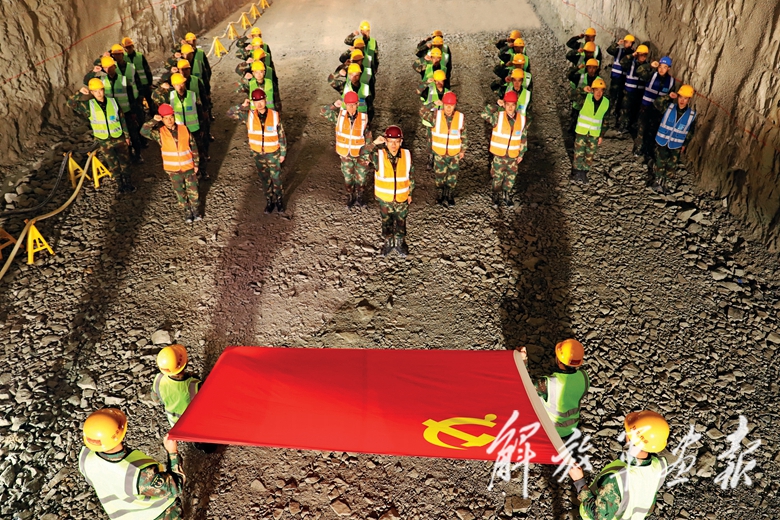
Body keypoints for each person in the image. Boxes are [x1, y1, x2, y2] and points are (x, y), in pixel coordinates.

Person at [78, 408, 184, 519]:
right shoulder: (135, 473)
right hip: (157, 515)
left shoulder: (85, 458)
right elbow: (176, 486)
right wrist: (172, 452)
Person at [568, 410, 670, 520]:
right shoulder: (660, 466)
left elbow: (598, 516)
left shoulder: (617, 478)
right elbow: (649, 504)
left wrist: (580, 482)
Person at [67, 78, 135, 193]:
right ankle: (120, 185)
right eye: (95, 91)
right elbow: (70, 103)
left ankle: (128, 183)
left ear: (104, 90)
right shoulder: (89, 106)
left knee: (125, 161)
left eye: (100, 90)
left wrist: (127, 136)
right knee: (113, 164)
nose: (99, 93)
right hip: (104, 140)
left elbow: (122, 119)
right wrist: (79, 94)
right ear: (92, 93)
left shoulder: (113, 102)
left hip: (119, 137)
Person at [227, 89, 288, 213]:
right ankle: (269, 200)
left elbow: (281, 136)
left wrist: (283, 153)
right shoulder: (248, 116)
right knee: (265, 179)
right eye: (256, 101)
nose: (259, 104)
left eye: (261, 100)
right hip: (258, 154)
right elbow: (230, 113)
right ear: (253, 103)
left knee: (276, 178)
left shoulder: (274, 115)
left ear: (265, 100)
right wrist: (242, 105)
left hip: (273, 153)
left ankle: (279, 199)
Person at [141, 104, 201, 222]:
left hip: (188, 167)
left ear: (174, 116)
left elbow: (194, 147)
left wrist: (196, 164)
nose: (169, 120)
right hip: (173, 170)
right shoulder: (160, 133)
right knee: (180, 192)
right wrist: (154, 120)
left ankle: (195, 210)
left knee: (193, 190)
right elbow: (144, 131)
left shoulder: (184, 129)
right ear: (162, 119)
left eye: (171, 117)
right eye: (166, 118)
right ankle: (187, 211)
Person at [518, 339, 589, 439]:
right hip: (571, 427)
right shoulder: (584, 377)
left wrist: (523, 361)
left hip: (550, 430)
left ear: (559, 360)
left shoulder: (548, 383)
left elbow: (525, 387)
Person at [364, 126, 415, 256]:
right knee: (386, 222)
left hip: (402, 198)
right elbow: (362, 154)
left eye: (397, 141)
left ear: (401, 142)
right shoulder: (379, 156)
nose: (393, 145)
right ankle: (388, 243)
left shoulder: (407, 155)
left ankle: (399, 243)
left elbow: (411, 176)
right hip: (385, 200)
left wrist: (410, 193)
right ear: (385, 141)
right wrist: (374, 143)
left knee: (401, 222)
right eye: (390, 141)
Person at [321, 91, 372, 208]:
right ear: (345, 105)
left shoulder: (363, 119)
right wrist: (334, 105)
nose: (351, 107)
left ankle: (360, 196)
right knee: (348, 178)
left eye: (353, 104)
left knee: (361, 177)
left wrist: (367, 156)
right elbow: (323, 111)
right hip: (345, 155)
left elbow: (368, 138)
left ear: (357, 104)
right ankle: (350, 195)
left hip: (360, 155)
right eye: (349, 105)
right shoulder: (340, 117)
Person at [481, 90, 527, 207]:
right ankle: (495, 195)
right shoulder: (498, 117)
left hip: (513, 155)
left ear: (516, 105)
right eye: (508, 105)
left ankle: (506, 195)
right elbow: (484, 114)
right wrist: (496, 105)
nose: (510, 108)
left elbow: (523, 137)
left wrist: (521, 153)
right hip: (499, 155)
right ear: (504, 105)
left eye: (512, 105)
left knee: (511, 177)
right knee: (497, 176)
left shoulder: (521, 119)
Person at [420, 91, 467, 206]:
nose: (449, 108)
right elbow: (422, 112)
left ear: (455, 105)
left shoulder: (460, 117)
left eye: (451, 105)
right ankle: (440, 195)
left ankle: (449, 194)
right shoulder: (436, 116)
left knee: (452, 175)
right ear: (443, 105)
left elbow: (464, 135)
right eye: (446, 105)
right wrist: (433, 104)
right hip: (439, 153)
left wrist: (463, 150)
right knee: (439, 176)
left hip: (454, 154)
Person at [650, 85, 696, 193]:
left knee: (672, 164)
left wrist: (685, 144)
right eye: (680, 97)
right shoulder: (669, 107)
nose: (682, 100)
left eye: (685, 98)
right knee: (660, 161)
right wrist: (668, 96)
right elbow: (656, 103)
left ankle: (666, 183)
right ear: (677, 97)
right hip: (662, 140)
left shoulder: (691, 115)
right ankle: (657, 181)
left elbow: (690, 131)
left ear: (689, 100)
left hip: (676, 144)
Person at [570, 79, 611, 183]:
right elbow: (570, 94)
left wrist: (601, 135)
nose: (599, 93)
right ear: (592, 90)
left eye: (601, 90)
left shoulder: (606, 103)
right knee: (579, 152)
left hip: (594, 134)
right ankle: (576, 172)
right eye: (596, 90)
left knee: (590, 154)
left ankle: (584, 173)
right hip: (582, 131)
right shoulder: (585, 99)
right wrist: (581, 89)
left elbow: (606, 120)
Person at [151, 344, 201, 426]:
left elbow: (155, 399)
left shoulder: (158, 379)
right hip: (192, 424)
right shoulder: (193, 386)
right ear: (185, 364)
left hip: (173, 423)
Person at [635, 56, 674, 158]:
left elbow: (670, 99)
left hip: (657, 111)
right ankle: (638, 149)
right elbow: (639, 71)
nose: (661, 69)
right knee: (641, 128)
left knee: (653, 131)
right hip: (646, 107)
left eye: (664, 67)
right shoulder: (651, 75)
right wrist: (650, 65)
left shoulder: (671, 81)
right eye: (660, 66)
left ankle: (648, 151)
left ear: (668, 68)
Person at [617, 44, 652, 134]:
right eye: (641, 55)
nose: (643, 57)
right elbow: (622, 62)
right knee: (625, 109)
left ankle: (630, 127)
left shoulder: (647, 66)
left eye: (645, 55)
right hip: (629, 91)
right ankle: (621, 127)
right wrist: (632, 55)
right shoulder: (631, 62)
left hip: (639, 92)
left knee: (635, 110)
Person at [121, 37, 156, 114]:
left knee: (150, 101)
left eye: (129, 47)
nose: (128, 49)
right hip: (134, 85)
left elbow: (147, 69)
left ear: (132, 46)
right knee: (138, 103)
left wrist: (150, 82)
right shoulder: (123, 58)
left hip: (144, 83)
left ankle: (153, 114)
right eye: (126, 47)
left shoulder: (139, 56)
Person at [605, 35, 635, 123]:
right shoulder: (618, 51)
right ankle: (606, 115)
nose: (628, 44)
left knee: (621, 99)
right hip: (616, 78)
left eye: (630, 43)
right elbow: (609, 50)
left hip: (624, 80)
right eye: (626, 42)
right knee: (612, 97)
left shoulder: (633, 54)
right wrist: (617, 44)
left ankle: (617, 115)